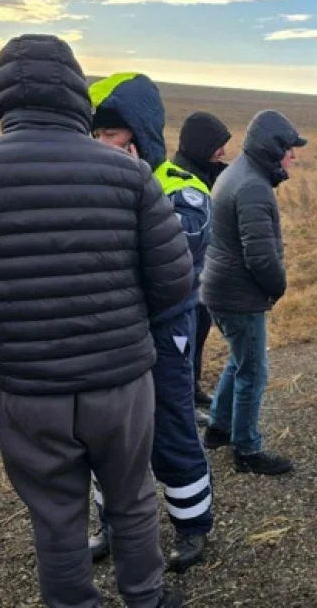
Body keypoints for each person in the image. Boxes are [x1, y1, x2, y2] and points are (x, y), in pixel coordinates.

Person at [0, 35, 189, 608]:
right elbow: (174, 280)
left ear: (0, 97)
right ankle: (145, 597)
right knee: (132, 495)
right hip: (120, 378)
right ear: (76, 93)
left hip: (29, 386)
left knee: (55, 513)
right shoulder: (130, 174)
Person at [87, 73, 214, 572]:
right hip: (109, 331)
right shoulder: (89, 183)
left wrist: (133, 191)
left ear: (140, 132)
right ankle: (112, 526)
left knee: (171, 423)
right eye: (95, 135)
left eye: (112, 134)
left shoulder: (183, 188)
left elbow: (175, 261)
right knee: (105, 433)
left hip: (164, 329)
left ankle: (193, 525)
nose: (102, 145)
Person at [201, 110, 304, 475]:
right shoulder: (253, 187)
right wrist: (278, 287)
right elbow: (260, 257)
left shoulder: (238, 173)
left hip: (219, 288)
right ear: (272, 148)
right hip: (237, 295)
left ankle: (218, 428)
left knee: (238, 360)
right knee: (254, 372)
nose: (294, 156)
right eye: (290, 149)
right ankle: (246, 449)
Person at [172, 112, 233, 411]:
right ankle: (184, 401)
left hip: (202, 278)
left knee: (197, 338)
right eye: (217, 145)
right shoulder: (181, 178)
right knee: (183, 345)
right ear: (201, 145)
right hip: (186, 279)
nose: (222, 152)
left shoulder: (203, 172)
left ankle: (192, 389)